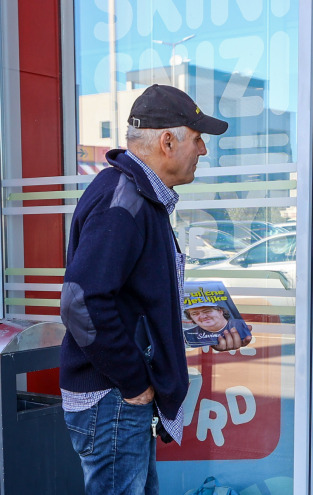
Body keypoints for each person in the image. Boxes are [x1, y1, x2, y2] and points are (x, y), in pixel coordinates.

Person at [59, 84, 251, 494]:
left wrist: (208, 330)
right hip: (114, 398)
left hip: (118, 397)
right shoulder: (123, 201)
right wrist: (135, 383)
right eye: (198, 139)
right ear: (167, 142)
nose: (203, 150)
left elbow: (136, 302)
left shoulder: (138, 196)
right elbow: (80, 302)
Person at [183, 301, 252, 347]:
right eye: (195, 314)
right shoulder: (188, 335)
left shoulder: (239, 325)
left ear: (220, 312)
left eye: (207, 311)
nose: (203, 316)